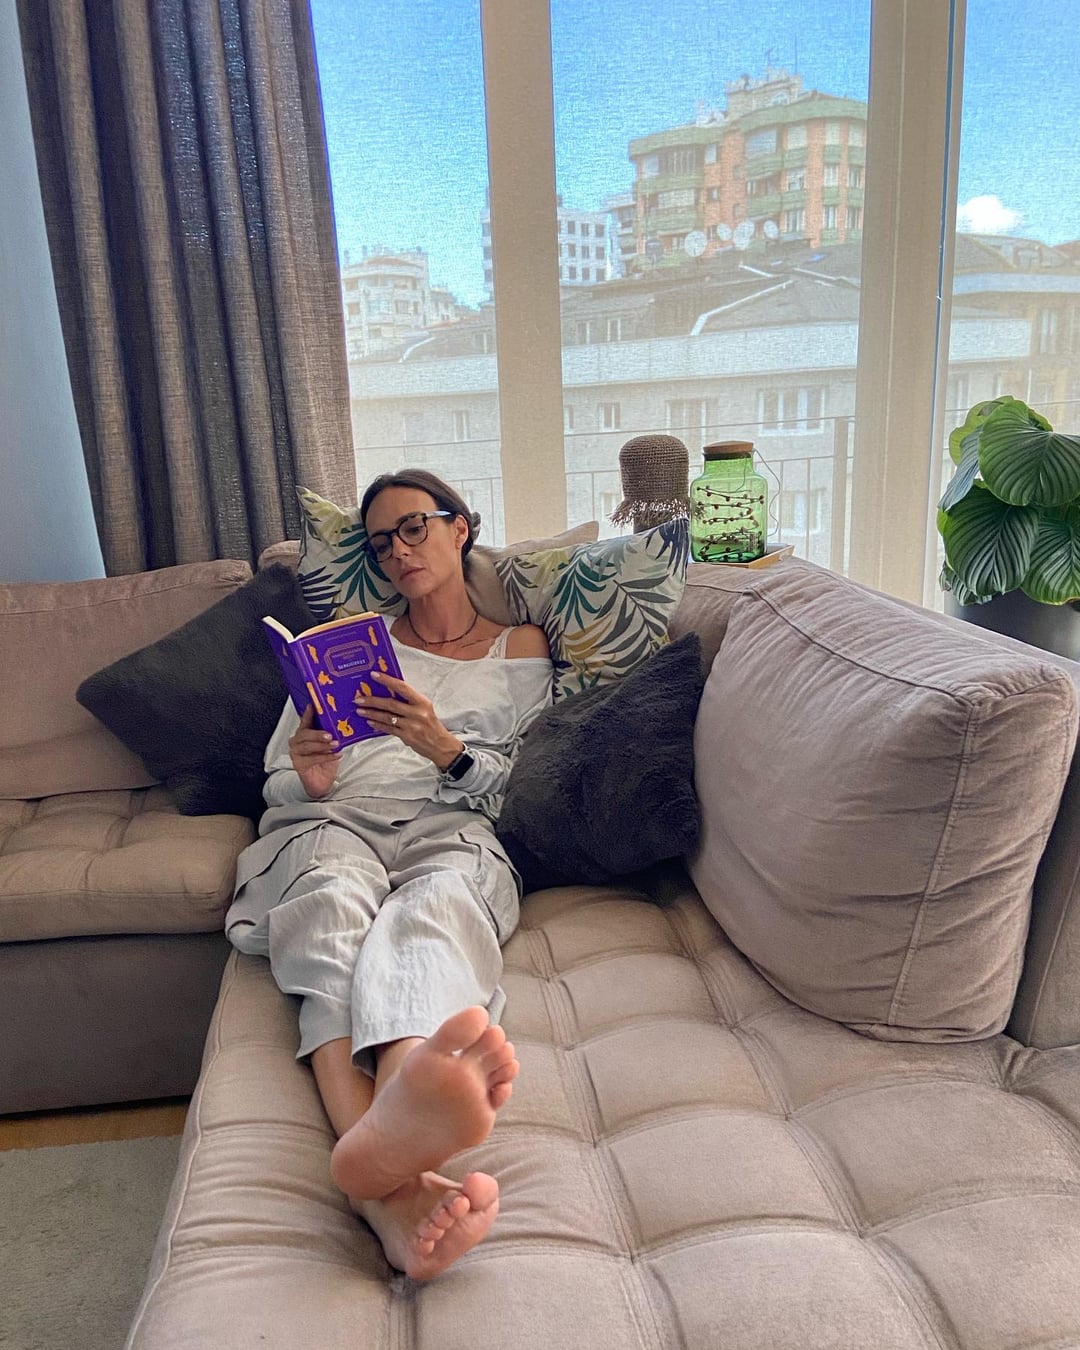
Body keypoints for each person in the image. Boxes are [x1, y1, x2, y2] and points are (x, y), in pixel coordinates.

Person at [224, 470, 552, 1280]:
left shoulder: (520, 648)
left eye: (414, 528)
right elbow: (279, 782)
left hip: (452, 823)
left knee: (433, 912)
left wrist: (446, 749)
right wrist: (309, 776)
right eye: (381, 542)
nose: (398, 551)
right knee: (332, 903)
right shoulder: (343, 646)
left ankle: (393, 1129)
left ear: (459, 527)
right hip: (337, 818)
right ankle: (385, 1171)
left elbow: (523, 792)